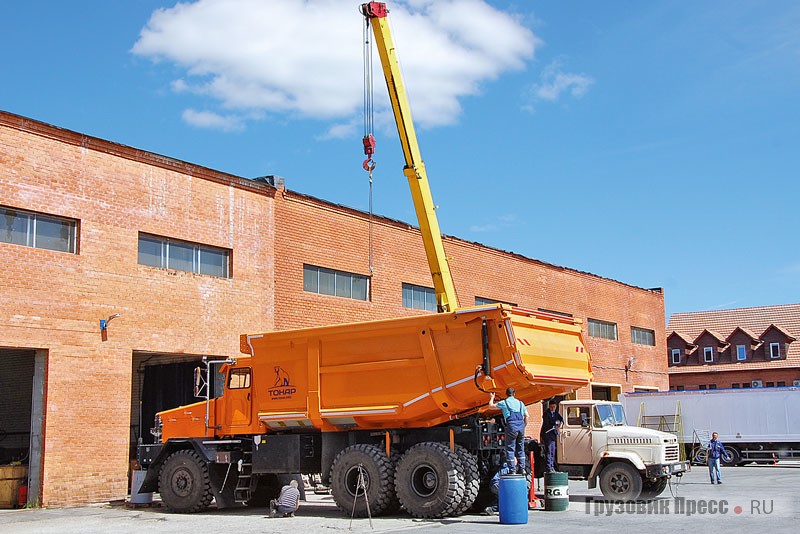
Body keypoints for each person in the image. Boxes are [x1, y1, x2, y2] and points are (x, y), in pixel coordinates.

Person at [489, 387, 529, 474]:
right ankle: (522, 468)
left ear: (506, 394)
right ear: (514, 394)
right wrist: (524, 426)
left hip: (511, 427)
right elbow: (527, 416)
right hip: (521, 427)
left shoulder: (505, 402)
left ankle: (512, 470)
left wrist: (492, 397)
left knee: (510, 448)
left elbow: (491, 406)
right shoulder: (521, 403)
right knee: (520, 448)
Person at [539, 399, 563, 473]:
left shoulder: (556, 413)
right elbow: (547, 423)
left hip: (553, 434)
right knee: (549, 450)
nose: (553, 408)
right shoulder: (546, 414)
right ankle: (549, 467)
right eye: (552, 407)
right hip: (547, 434)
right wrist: (554, 425)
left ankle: (552, 466)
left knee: (553, 450)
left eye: (554, 407)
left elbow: (561, 419)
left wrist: (560, 423)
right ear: (549, 406)